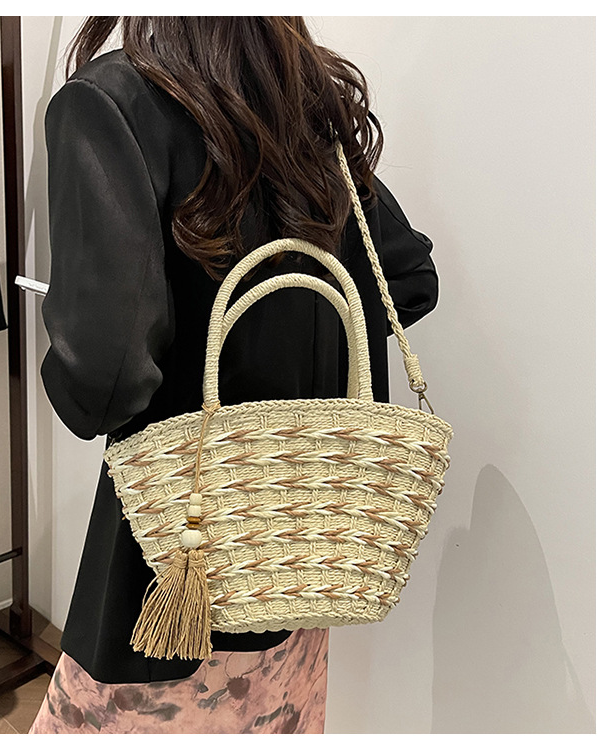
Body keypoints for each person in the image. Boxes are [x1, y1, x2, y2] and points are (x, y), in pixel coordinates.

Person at [29, 16, 439, 734]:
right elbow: (407, 279)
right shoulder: (306, 104)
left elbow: (103, 381)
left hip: (174, 583)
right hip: (295, 558)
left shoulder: (112, 101)